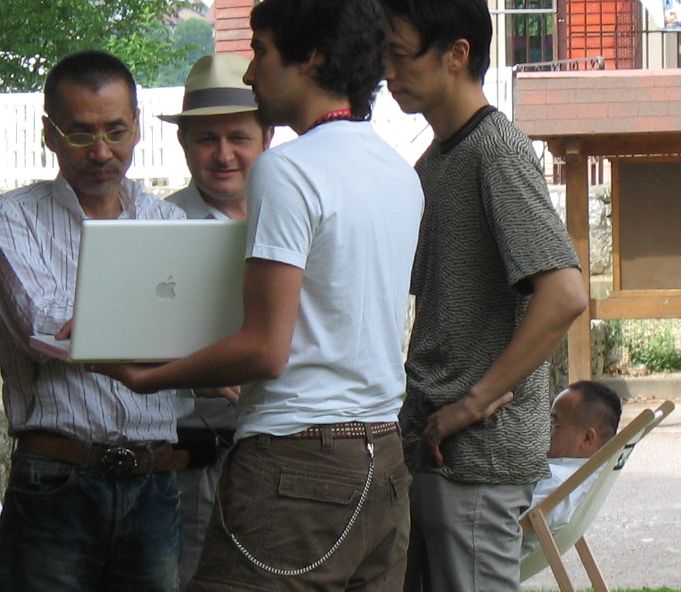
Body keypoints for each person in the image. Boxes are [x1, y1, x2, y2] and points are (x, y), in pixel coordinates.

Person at [93, 0, 424, 589]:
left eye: (261, 50)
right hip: (385, 458)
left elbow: (265, 350)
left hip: (296, 464)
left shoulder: (288, 170)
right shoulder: (398, 171)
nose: (250, 72)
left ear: (312, 57)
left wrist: (149, 376)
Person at [378, 1, 589, 590]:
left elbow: (565, 293)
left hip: (479, 457)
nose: (387, 70)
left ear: (456, 54)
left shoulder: (496, 149)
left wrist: (473, 403)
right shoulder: (436, 159)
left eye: (399, 52)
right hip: (435, 450)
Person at [0, 50, 185, 592]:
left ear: (137, 129)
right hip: (57, 480)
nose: (101, 152)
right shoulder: (13, 219)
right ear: (48, 134)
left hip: (157, 480)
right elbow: (43, 328)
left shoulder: (168, 221)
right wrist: (163, 328)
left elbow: (201, 332)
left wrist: (102, 321)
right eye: (80, 134)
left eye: (115, 131)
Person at [158, 52, 272, 591]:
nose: (223, 154)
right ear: (184, 144)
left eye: (238, 137)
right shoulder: (155, 227)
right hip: (192, 460)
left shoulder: (295, 216)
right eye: (206, 139)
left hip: (282, 456)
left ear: (266, 137)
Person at [521, 380, 622, 556]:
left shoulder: (556, 481)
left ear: (587, 438)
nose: (547, 431)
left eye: (554, 423)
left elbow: (500, 524)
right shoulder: (587, 475)